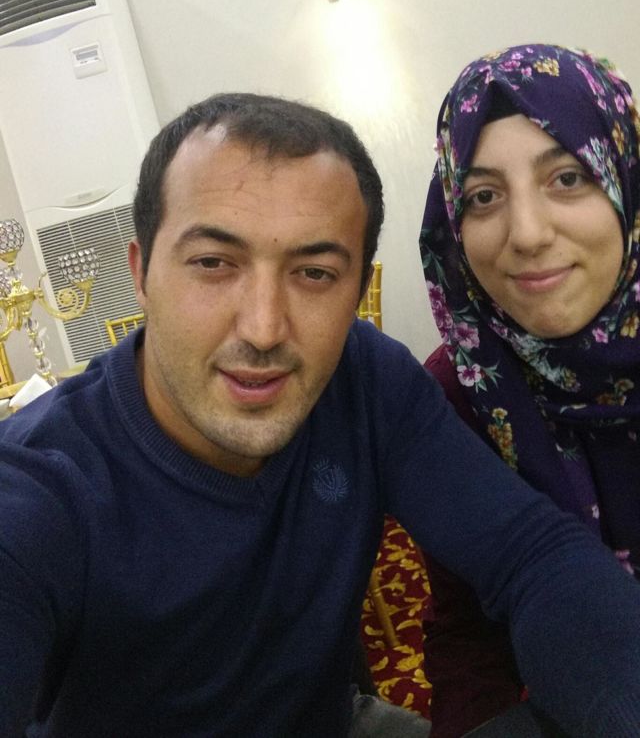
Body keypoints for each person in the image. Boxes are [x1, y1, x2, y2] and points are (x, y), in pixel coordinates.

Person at [1, 94, 640, 738]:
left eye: (314, 273)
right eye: (213, 264)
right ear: (142, 274)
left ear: (357, 292)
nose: (263, 328)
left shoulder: (365, 379)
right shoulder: (41, 482)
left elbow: (531, 553)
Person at [419, 43, 640, 737]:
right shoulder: (458, 388)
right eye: (483, 196)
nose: (528, 234)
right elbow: (467, 631)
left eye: (567, 178)